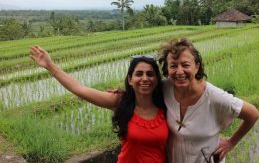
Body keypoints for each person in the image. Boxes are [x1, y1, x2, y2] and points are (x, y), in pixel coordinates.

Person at [29, 46, 168, 163]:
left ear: (157, 80)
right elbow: (81, 89)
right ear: (130, 80)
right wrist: (50, 66)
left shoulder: (166, 103)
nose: (145, 78)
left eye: (150, 74)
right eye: (139, 74)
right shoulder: (120, 101)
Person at [157, 38, 259, 163]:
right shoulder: (165, 88)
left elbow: (253, 114)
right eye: (173, 65)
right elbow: (139, 89)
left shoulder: (214, 97)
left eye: (185, 65)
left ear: (196, 67)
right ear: (167, 69)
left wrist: (231, 142)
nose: (179, 71)